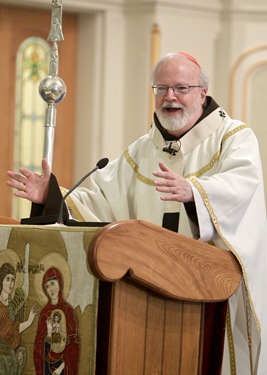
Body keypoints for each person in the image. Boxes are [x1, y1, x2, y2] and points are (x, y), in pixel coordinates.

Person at [7, 52, 267, 374]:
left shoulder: (233, 138)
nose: (170, 97)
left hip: (211, 296)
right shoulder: (141, 150)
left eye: (181, 88)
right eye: (161, 89)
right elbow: (99, 204)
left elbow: (242, 188)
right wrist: (52, 195)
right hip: (146, 299)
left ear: (202, 93)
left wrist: (195, 193)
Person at [33, 267, 79, 374]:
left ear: (60, 284)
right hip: (47, 364)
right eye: (47, 286)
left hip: (63, 367)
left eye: (52, 283)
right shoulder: (45, 313)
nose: (50, 289)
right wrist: (49, 334)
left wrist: (61, 367)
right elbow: (38, 345)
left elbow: (73, 345)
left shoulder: (69, 311)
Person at [0, 262, 38, 374]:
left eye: (13, 279)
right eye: (7, 279)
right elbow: (9, 329)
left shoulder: (11, 306)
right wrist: (28, 322)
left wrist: (29, 321)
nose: (11, 283)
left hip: (8, 355)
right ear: (1, 280)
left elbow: (13, 330)